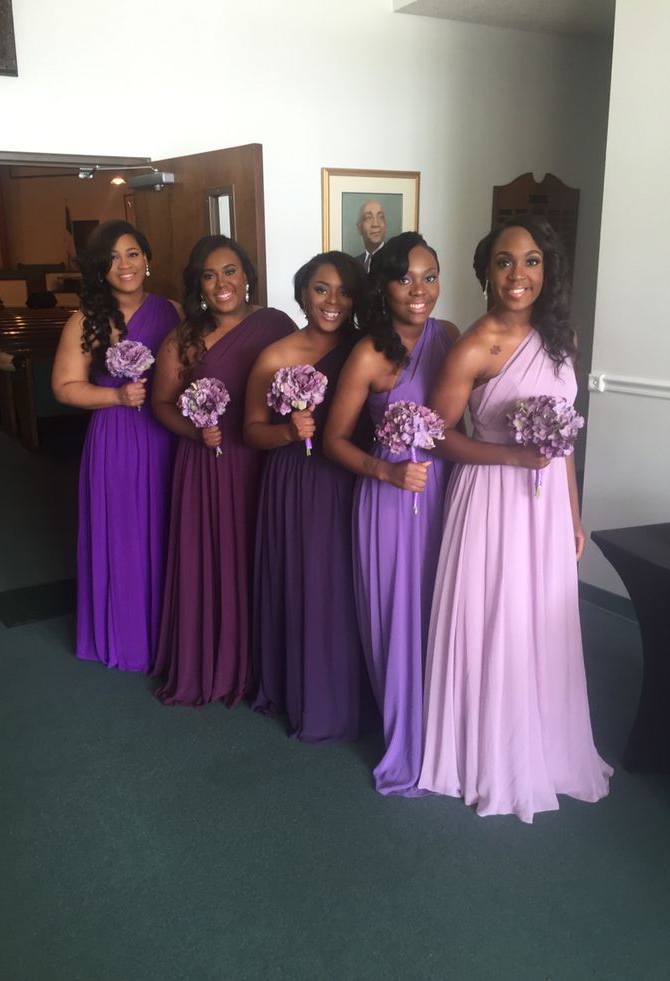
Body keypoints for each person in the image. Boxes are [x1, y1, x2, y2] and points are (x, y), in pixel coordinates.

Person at [417, 215, 612, 822]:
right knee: (498, 615)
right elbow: (437, 435)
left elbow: (565, 441)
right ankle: (490, 753)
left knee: (542, 621)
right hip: (492, 501)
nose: (518, 274)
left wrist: (573, 515)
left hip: (546, 502)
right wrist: (512, 455)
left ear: (546, 270)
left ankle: (547, 747)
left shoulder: (562, 340)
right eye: (504, 262)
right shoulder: (475, 346)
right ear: (485, 273)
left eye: (531, 261)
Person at [324, 232, 459, 795]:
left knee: (444, 612)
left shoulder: (449, 336)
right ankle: (408, 740)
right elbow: (333, 439)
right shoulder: (369, 353)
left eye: (429, 276)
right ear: (383, 286)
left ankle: (452, 735)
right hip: (388, 498)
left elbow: (462, 420)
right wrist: (386, 472)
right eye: (405, 278)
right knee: (397, 618)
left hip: (443, 488)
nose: (419, 290)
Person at [151, 235, 295, 707]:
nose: (222, 283)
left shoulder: (276, 324)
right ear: (198, 285)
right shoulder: (182, 338)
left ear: (247, 274)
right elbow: (162, 404)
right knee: (211, 557)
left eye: (230, 271)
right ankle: (212, 662)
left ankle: (260, 666)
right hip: (207, 463)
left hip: (261, 459)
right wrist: (194, 433)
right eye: (209, 276)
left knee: (258, 555)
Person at [244, 251, 375, 741]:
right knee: (307, 585)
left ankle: (356, 694)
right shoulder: (275, 355)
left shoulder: (368, 348)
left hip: (352, 478)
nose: (332, 301)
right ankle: (307, 692)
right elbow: (251, 430)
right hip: (296, 483)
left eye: (343, 290)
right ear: (302, 294)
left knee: (350, 587)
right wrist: (286, 433)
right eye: (321, 289)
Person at [52, 219, 181, 671]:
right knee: (124, 534)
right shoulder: (86, 320)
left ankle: (170, 635)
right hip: (117, 439)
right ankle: (127, 635)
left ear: (148, 259)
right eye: (112, 257)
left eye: (132, 253)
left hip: (167, 435)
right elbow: (64, 387)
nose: (123, 265)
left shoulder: (174, 311)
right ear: (99, 268)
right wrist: (115, 395)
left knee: (168, 530)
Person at [355, 200, 387, 272]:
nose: (376, 224)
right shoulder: (354, 264)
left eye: (381, 217)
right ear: (359, 228)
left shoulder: (395, 260)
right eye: (368, 218)